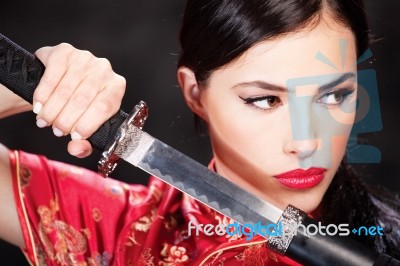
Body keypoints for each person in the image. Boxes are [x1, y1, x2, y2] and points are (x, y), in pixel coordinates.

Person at [0, 0, 399, 265]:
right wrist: (38, 87)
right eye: (265, 100)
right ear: (195, 92)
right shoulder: (117, 226)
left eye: (334, 96)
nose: (308, 143)